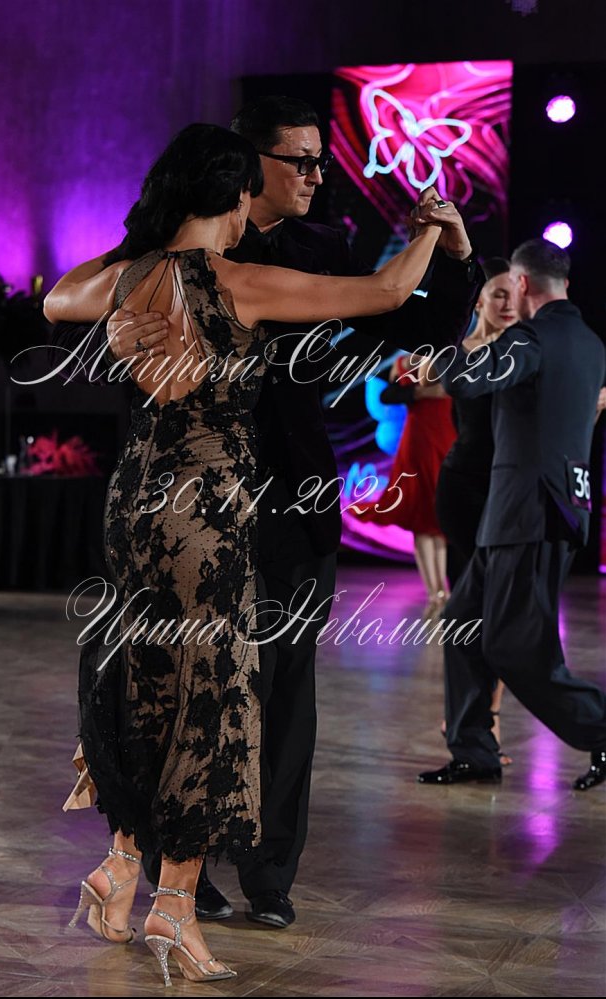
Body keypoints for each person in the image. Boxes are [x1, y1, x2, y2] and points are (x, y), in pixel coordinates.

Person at [49, 96, 483, 929]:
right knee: (190, 686)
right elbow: (77, 304)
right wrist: (119, 328)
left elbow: (411, 313)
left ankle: (265, 873)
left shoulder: (317, 250)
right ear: (250, 170)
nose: (318, 175)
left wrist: (457, 255)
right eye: (301, 161)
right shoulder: (185, 249)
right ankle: (179, 877)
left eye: (323, 159)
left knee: (278, 699)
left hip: (285, 501)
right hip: (197, 507)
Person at [417, 238, 606, 791]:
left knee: (515, 648)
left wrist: (440, 345)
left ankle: (600, 728)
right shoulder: (591, 343)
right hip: (539, 509)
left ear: (522, 284)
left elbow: (466, 378)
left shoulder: (532, 338)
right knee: (463, 623)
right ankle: (475, 750)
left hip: (528, 511)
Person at [435, 258, 518, 762]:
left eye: (514, 294)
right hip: (463, 490)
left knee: (500, 612)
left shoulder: (526, 351)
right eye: (498, 294)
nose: (508, 304)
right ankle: (470, 717)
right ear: (481, 298)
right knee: (467, 613)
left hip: (509, 493)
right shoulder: (461, 352)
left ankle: (488, 717)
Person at [357, 350, 456, 619]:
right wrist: (417, 393)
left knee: (438, 521)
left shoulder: (450, 358)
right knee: (420, 518)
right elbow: (387, 395)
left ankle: (443, 592)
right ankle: (435, 593)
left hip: (445, 440)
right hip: (417, 443)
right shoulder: (402, 362)